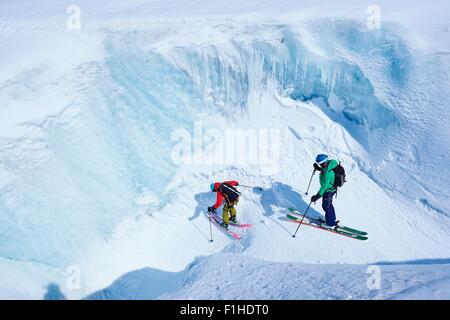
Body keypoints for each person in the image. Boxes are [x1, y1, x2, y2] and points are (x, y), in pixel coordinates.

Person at [310, 154, 340, 229]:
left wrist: (316, 196)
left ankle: (330, 224)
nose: (319, 164)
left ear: (324, 163)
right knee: (328, 205)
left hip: (328, 191)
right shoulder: (330, 165)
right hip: (331, 189)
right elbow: (325, 169)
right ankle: (331, 219)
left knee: (326, 206)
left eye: (319, 163)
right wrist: (318, 168)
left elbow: (323, 187)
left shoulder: (326, 175)